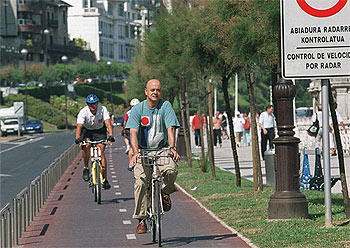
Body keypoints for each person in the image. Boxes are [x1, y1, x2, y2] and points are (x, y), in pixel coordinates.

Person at [126, 79, 180, 234]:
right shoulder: (137, 109)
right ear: (146, 91)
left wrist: (172, 148)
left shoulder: (166, 106)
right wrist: (135, 153)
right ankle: (142, 219)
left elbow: (170, 128)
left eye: (158, 90)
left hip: (162, 149)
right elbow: (133, 132)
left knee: (170, 170)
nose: (155, 92)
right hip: (143, 151)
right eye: (152, 90)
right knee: (141, 182)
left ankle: (165, 192)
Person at [75, 94, 115, 190]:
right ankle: (86, 168)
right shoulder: (83, 112)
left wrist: (110, 136)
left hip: (100, 131)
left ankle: (105, 179)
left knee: (101, 151)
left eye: (94, 104)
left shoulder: (103, 109)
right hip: (87, 131)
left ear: (97, 103)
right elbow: (79, 126)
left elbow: (108, 124)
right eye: (90, 104)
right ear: (87, 105)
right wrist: (78, 138)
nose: (92, 106)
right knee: (87, 145)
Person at [121, 98, 140, 167]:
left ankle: (131, 162)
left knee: (131, 146)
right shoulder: (141, 111)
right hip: (138, 130)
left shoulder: (128, 112)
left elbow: (125, 122)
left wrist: (124, 129)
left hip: (131, 130)